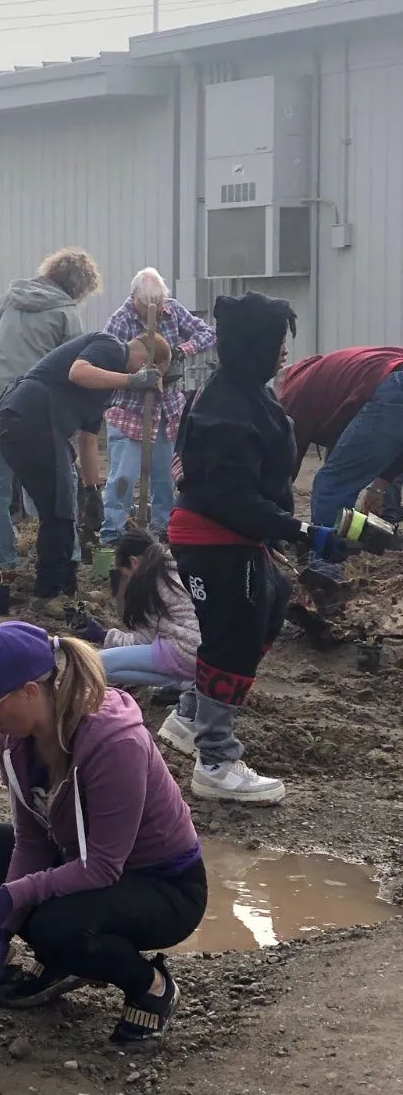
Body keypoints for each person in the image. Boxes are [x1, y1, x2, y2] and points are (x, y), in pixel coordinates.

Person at [0, 622, 207, 1043]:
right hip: (76, 858)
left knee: (57, 927)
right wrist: (1, 932)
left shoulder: (116, 743)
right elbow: (32, 842)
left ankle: (151, 987)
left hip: (161, 885)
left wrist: (11, 896)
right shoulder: (14, 743)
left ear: (29, 691)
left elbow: (103, 867)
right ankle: (59, 959)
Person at [161, 292, 336, 804]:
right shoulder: (225, 411)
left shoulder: (248, 393)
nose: (285, 351)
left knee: (271, 605)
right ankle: (216, 761)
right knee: (232, 638)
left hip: (234, 536)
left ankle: (190, 716)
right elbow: (232, 499)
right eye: (278, 340)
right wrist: (301, 531)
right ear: (253, 345)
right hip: (215, 539)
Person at [0, 327, 169, 614]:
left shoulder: (104, 390)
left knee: (62, 506)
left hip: (29, 424)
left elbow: (88, 441)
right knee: (58, 510)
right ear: (146, 360)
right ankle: (47, 594)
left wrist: (93, 490)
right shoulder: (111, 347)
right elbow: (78, 371)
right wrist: (132, 380)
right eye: (151, 374)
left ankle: (65, 584)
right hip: (31, 418)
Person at [0, 248, 100, 578]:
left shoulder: (12, 295)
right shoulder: (67, 312)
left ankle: (3, 562)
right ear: (80, 286)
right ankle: (65, 556)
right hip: (25, 406)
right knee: (56, 481)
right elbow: (72, 367)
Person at [100, 268, 216, 544]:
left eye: (160, 302)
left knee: (165, 477)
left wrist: (181, 350)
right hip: (130, 410)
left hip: (168, 409)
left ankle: (163, 529)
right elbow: (106, 361)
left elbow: (208, 333)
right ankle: (113, 533)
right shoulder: (120, 321)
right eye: (148, 304)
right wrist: (134, 374)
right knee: (123, 477)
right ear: (135, 299)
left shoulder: (173, 311)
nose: (156, 308)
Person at [278, 346, 403, 525]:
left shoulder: (294, 391)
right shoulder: (335, 373)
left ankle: (328, 543)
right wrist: (380, 486)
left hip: (391, 385)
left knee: (331, 485)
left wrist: (273, 517)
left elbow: (286, 464)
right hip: (392, 379)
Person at [73, 529, 199, 691]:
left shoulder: (150, 582)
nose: (126, 580)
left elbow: (144, 640)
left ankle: (181, 684)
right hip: (205, 654)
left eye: (125, 574)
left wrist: (103, 636)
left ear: (134, 561)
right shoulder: (173, 567)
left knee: (97, 664)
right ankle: (185, 683)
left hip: (185, 652)